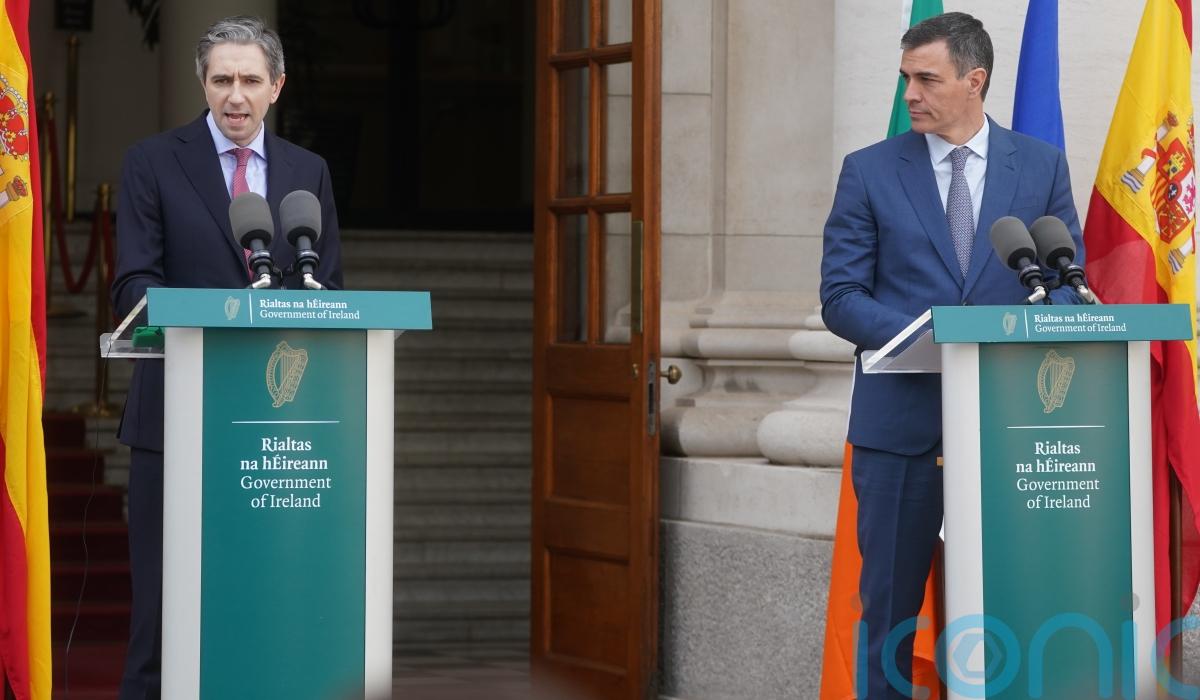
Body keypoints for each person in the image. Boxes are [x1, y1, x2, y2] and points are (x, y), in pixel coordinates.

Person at [818, 12, 1083, 698]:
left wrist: (1037, 317)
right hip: (899, 436)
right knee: (890, 621)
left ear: (975, 80)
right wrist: (934, 333)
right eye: (905, 78)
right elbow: (841, 298)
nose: (910, 94)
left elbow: (1065, 282)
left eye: (927, 79)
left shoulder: (1041, 166)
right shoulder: (869, 171)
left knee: (1011, 615)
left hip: (1011, 430)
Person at [110, 15, 342, 699]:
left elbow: (328, 288)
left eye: (249, 80)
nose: (234, 96)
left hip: (280, 427)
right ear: (202, 84)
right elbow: (133, 284)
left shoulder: (308, 173)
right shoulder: (153, 161)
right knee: (163, 614)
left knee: (268, 599)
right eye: (221, 80)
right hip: (175, 418)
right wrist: (222, 314)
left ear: (277, 86)